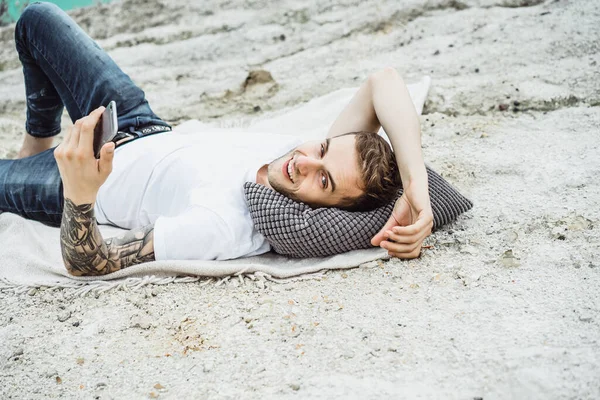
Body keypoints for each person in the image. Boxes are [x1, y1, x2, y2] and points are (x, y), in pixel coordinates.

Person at [0, 2, 433, 276]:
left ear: (333, 210)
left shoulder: (227, 227)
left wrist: (79, 194)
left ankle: (41, 159)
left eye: (323, 182)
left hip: (84, 178)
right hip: (138, 120)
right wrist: (418, 189)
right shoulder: (310, 160)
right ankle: (38, 137)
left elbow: (88, 263)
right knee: (36, 19)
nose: (305, 163)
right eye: (321, 149)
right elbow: (384, 81)